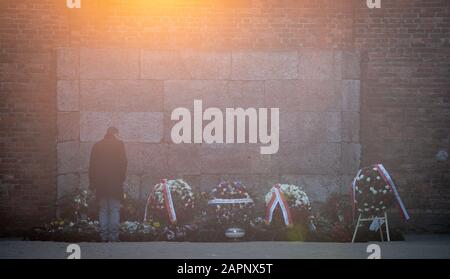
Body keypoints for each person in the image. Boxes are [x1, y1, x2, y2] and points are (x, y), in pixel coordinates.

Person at [89, 127, 127, 242]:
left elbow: (92, 166)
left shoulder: (97, 146)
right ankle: (113, 237)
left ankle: (103, 236)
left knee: (103, 210)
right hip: (115, 184)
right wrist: (121, 179)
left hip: (100, 185)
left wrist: (92, 182)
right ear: (115, 134)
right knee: (114, 210)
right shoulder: (119, 145)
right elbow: (123, 163)